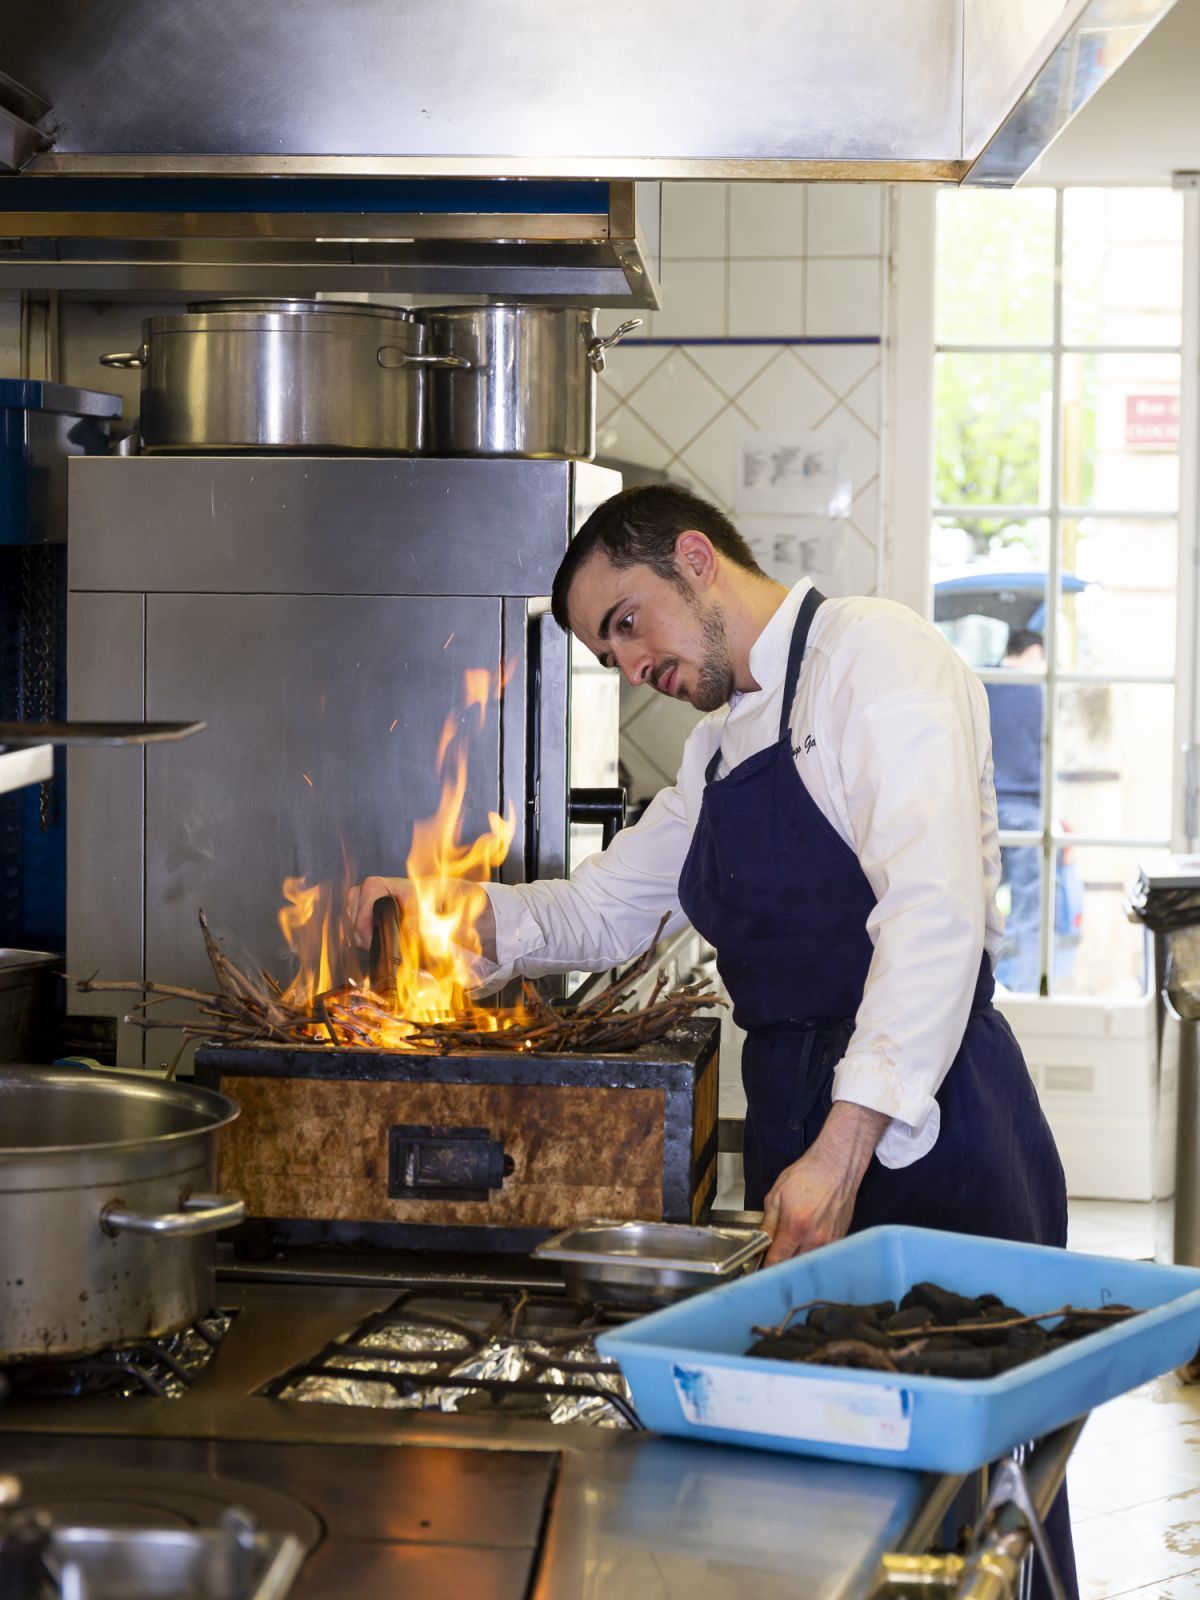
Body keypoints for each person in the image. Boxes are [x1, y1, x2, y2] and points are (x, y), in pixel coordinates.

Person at [351, 484, 1077, 1598]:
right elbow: (604, 909)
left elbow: (934, 919)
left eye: (628, 620)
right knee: (852, 1495)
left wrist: (841, 1152)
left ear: (697, 558)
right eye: (608, 650)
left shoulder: (875, 660)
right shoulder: (720, 755)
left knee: (971, 1509)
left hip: (935, 1135)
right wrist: (439, 912)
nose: (628, 660)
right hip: (804, 1120)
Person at [984, 629, 1047, 994]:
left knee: (981, 900)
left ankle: (986, 987)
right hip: (1026, 808)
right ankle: (1023, 989)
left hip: (984, 807)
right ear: (1034, 652)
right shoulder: (1038, 691)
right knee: (1027, 906)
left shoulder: (983, 684)